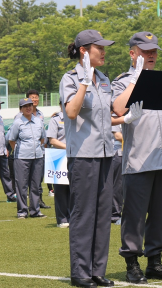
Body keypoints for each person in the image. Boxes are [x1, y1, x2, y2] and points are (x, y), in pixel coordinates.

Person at [112, 32, 162, 284]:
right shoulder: (123, 81)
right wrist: (138, 78)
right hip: (138, 160)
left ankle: (155, 262)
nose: (151, 55)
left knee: (159, 215)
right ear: (133, 54)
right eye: (145, 51)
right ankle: (132, 264)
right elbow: (119, 109)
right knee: (133, 215)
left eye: (154, 51)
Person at [60, 29, 115, 288]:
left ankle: (97, 270)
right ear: (84, 51)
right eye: (98, 48)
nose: (103, 52)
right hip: (83, 156)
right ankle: (81, 273)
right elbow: (71, 112)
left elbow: (112, 113)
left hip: (106, 153)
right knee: (84, 215)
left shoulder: (104, 78)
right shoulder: (70, 79)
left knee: (104, 215)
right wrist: (84, 81)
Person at [9, 98, 46, 219]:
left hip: (38, 157)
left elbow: (42, 138)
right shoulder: (17, 122)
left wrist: (37, 149)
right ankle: (22, 211)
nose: (28, 108)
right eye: (25, 106)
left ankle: (35, 211)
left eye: (30, 105)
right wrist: (20, 151)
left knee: (35, 185)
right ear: (21, 109)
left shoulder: (39, 121)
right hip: (22, 158)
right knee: (22, 185)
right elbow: (11, 140)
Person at [46, 101, 70, 228]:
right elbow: (52, 140)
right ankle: (62, 219)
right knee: (60, 190)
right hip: (58, 155)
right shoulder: (55, 120)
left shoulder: (77, 117)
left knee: (74, 188)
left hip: (75, 155)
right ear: (60, 105)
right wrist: (68, 147)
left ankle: (73, 217)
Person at [111, 120, 123, 224]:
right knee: (117, 185)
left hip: (130, 153)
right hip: (118, 154)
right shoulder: (114, 117)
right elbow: (118, 136)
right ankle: (115, 214)